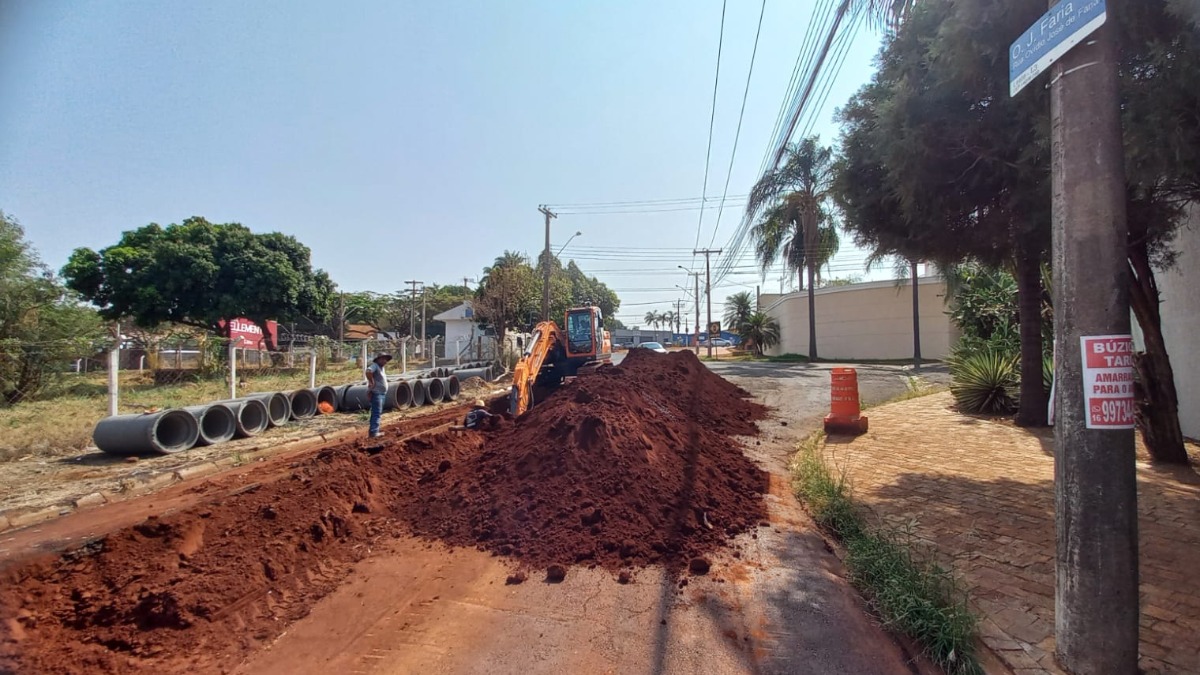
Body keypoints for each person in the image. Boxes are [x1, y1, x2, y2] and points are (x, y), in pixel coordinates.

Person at [365, 352, 392, 438]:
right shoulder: (375, 366)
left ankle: (373, 431)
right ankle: (374, 432)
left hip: (381, 394)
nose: (385, 361)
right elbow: (368, 371)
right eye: (383, 359)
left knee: (377, 412)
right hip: (377, 394)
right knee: (376, 412)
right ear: (378, 359)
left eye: (386, 359)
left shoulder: (381, 368)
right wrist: (371, 381)